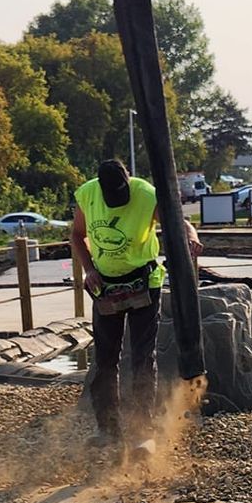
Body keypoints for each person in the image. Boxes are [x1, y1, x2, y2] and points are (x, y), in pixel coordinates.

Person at [70, 157, 201, 450]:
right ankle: (108, 429)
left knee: (143, 357)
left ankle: (144, 430)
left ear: (128, 184)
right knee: (105, 360)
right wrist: (89, 269)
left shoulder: (147, 194)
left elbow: (177, 221)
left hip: (144, 283)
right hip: (105, 284)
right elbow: (77, 235)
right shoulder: (88, 194)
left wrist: (190, 235)